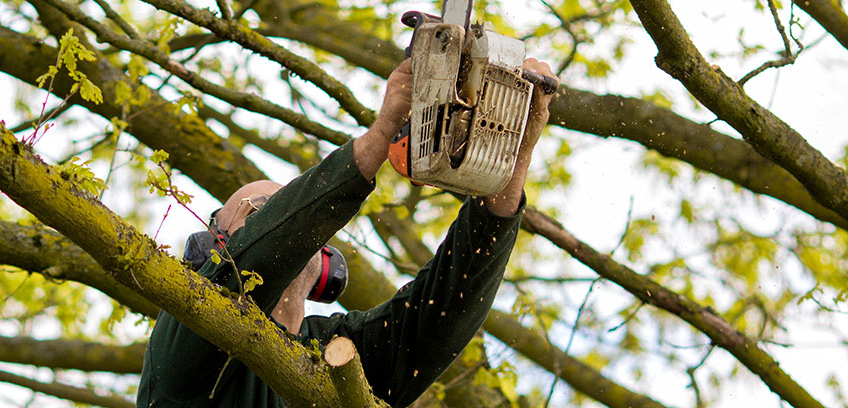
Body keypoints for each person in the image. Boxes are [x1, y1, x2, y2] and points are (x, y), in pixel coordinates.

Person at [137, 57, 557, 407]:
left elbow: (439, 313)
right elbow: (265, 249)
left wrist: (506, 163)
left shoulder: (331, 348)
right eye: (262, 211)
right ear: (218, 246)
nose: (284, 220)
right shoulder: (187, 323)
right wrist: (379, 136)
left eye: (286, 209)